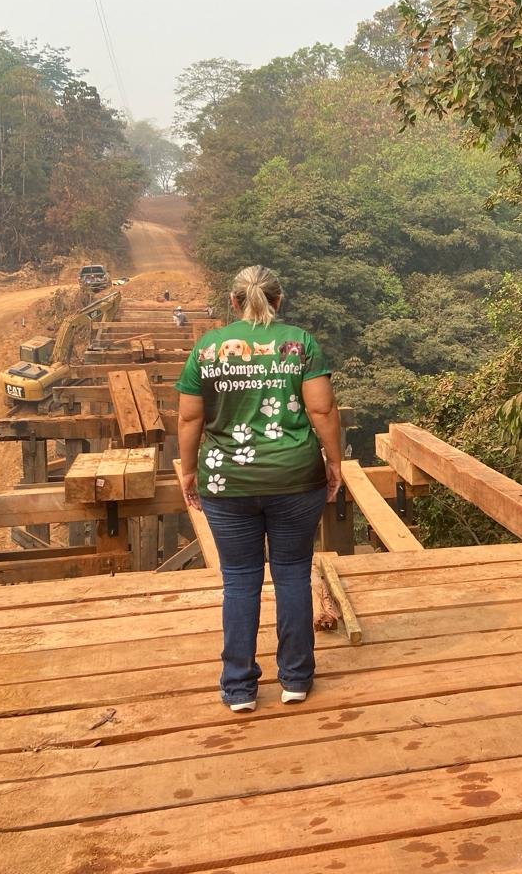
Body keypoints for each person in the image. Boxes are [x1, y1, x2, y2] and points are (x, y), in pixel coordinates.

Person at [176, 264, 343, 712]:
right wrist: (334, 462)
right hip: (294, 476)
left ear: (234, 302)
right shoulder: (299, 343)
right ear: (278, 300)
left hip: (226, 479)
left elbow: (190, 417)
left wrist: (188, 470)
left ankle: (239, 688)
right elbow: (322, 411)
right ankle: (296, 679)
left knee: (239, 580)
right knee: (292, 573)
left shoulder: (207, 348)